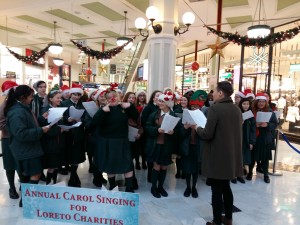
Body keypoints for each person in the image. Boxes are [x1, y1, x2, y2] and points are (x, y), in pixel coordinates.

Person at [195, 81, 243, 225]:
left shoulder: (215, 109)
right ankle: (228, 218)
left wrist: (197, 128)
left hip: (217, 157)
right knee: (226, 188)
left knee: (216, 191)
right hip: (231, 156)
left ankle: (216, 221)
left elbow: (207, 134)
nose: (213, 94)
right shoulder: (236, 109)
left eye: (215, 91)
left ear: (221, 93)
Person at [4, 85, 50, 207]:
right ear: (22, 97)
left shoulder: (23, 108)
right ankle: (27, 201)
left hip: (28, 148)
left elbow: (29, 125)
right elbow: (21, 133)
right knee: (35, 173)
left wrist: (41, 119)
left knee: (26, 174)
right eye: (30, 96)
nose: (32, 99)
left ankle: (25, 200)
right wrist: (41, 130)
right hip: (26, 149)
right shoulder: (17, 111)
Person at [92, 84, 139, 192]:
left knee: (127, 165)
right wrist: (103, 111)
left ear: (119, 97)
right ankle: (112, 186)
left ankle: (129, 188)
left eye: (115, 97)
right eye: (109, 98)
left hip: (122, 141)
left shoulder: (124, 108)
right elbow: (95, 122)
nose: (112, 99)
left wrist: (130, 106)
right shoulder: (104, 110)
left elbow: (136, 116)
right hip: (108, 142)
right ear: (106, 99)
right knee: (110, 166)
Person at [145, 92, 180, 198]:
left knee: (164, 167)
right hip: (156, 145)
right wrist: (157, 130)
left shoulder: (173, 116)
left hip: (167, 145)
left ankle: (161, 187)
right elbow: (147, 127)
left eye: (162, 101)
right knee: (156, 166)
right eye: (159, 101)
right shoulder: (154, 114)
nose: (160, 103)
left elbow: (178, 132)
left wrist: (173, 133)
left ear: (168, 103)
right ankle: (153, 187)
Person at [180, 90, 207, 198]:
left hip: (198, 146)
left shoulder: (203, 118)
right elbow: (180, 135)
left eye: (196, 107)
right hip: (187, 146)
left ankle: (194, 187)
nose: (194, 108)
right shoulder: (186, 116)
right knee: (187, 168)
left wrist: (198, 127)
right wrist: (185, 128)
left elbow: (205, 134)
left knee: (195, 169)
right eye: (192, 107)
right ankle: (188, 186)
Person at [247, 93, 277, 184]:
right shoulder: (252, 111)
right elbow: (247, 123)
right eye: (259, 101)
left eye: (263, 101)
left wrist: (267, 124)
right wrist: (254, 124)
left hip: (265, 137)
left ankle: (266, 175)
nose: (261, 103)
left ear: (265, 102)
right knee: (253, 156)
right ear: (256, 102)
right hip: (254, 136)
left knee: (265, 158)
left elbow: (275, 123)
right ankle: (250, 172)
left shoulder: (270, 111)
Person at [61, 83, 86, 187]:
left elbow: (86, 118)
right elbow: (61, 116)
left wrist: (81, 120)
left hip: (79, 133)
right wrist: (67, 119)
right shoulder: (64, 103)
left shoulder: (82, 104)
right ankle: (73, 176)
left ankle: (73, 176)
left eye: (78, 95)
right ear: (70, 94)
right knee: (69, 155)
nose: (76, 97)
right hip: (68, 133)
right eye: (74, 94)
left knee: (77, 156)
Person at [38, 87, 63, 185]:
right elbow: (46, 127)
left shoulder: (58, 108)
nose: (60, 100)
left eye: (60, 98)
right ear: (50, 99)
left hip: (57, 141)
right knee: (51, 165)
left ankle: (54, 183)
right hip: (50, 142)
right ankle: (49, 185)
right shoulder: (46, 110)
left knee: (56, 164)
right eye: (57, 98)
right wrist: (60, 129)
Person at [0, 81, 20, 199]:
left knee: (19, 163)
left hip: (19, 139)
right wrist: (14, 129)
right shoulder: (4, 106)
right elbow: (1, 123)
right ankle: (12, 187)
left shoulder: (18, 104)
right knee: (9, 165)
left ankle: (22, 183)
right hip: (8, 139)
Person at [141, 90, 162, 182]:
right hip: (150, 136)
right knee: (150, 157)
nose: (159, 97)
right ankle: (150, 174)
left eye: (161, 96)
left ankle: (157, 174)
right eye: (157, 96)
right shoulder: (149, 108)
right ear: (153, 98)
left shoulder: (164, 108)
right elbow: (144, 122)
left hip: (161, 137)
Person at [233, 97, 256, 183]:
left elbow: (253, 130)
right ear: (240, 104)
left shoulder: (251, 116)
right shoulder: (236, 114)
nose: (246, 106)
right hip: (237, 139)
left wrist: (252, 142)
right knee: (235, 157)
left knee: (243, 158)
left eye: (247, 104)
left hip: (246, 140)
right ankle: (233, 175)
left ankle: (239, 175)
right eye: (244, 104)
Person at [174, 95, 189, 179]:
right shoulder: (177, 110)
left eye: (185, 100)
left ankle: (184, 171)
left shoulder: (190, 111)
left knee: (184, 155)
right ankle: (178, 171)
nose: (183, 102)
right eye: (182, 100)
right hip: (178, 134)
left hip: (187, 135)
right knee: (178, 155)